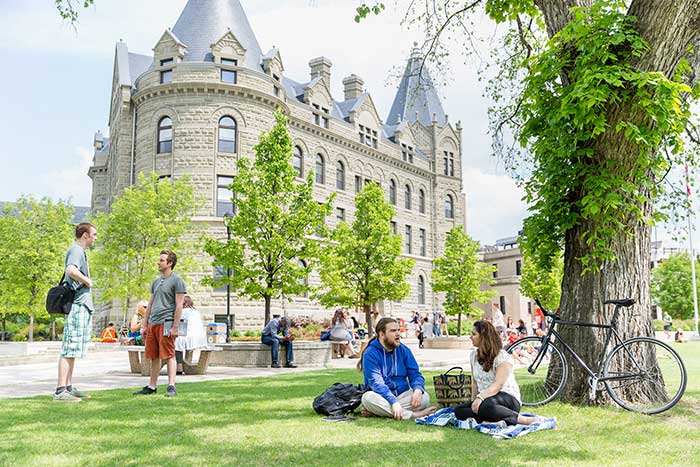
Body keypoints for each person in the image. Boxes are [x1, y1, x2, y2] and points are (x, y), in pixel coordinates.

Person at [455, 320, 544, 426]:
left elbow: (498, 385)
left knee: (485, 406)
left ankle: (524, 420)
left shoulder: (501, 356)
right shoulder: (473, 355)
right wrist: (474, 401)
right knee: (459, 410)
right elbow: (475, 382)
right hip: (485, 398)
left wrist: (480, 398)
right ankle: (490, 422)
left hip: (506, 398)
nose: (470, 337)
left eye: (474, 334)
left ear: (484, 337)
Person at [133, 250, 187, 397]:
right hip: (153, 324)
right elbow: (150, 304)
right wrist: (145, 325)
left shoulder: (177, 281)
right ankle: (152, 386)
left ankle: (171, 386)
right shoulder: (156, 282)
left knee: (169, 355)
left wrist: (175, 327)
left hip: (167, 323)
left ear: (170, 263)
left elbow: (179, 305)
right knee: (154, 356)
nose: (158, 262)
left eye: (162, 260)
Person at [358, 318, 436, 419]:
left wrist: (417, 389)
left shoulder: (403, 350)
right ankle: (413, 415)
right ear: (382, 334)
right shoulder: (370, 353)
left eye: (398, 330)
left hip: (402, 396)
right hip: (381, 396)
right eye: (393, 331)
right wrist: (393, 402)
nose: (398, 334)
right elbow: (377, 383)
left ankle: (380, 411)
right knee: (367, 398)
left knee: (424, 397)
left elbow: (415, 374)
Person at [54, 222, 97, 402]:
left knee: (74, 349)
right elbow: (70, 270)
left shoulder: (81, 252)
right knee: (69, 348)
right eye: (94, 234)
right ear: (85, 235)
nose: (95, 238)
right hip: (77, 305)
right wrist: (87, 280)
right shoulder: (76, 250)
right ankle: (60, 390)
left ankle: (68, 387)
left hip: (82, 306)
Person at [174, 295, 208, 374]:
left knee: (175, 341)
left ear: (184, 303)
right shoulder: (195, 311)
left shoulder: (184, 311)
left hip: (189, 337)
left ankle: (179, 366)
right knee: (178, 341)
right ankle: (183, 364)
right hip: (199, 338)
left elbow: (176, 322)